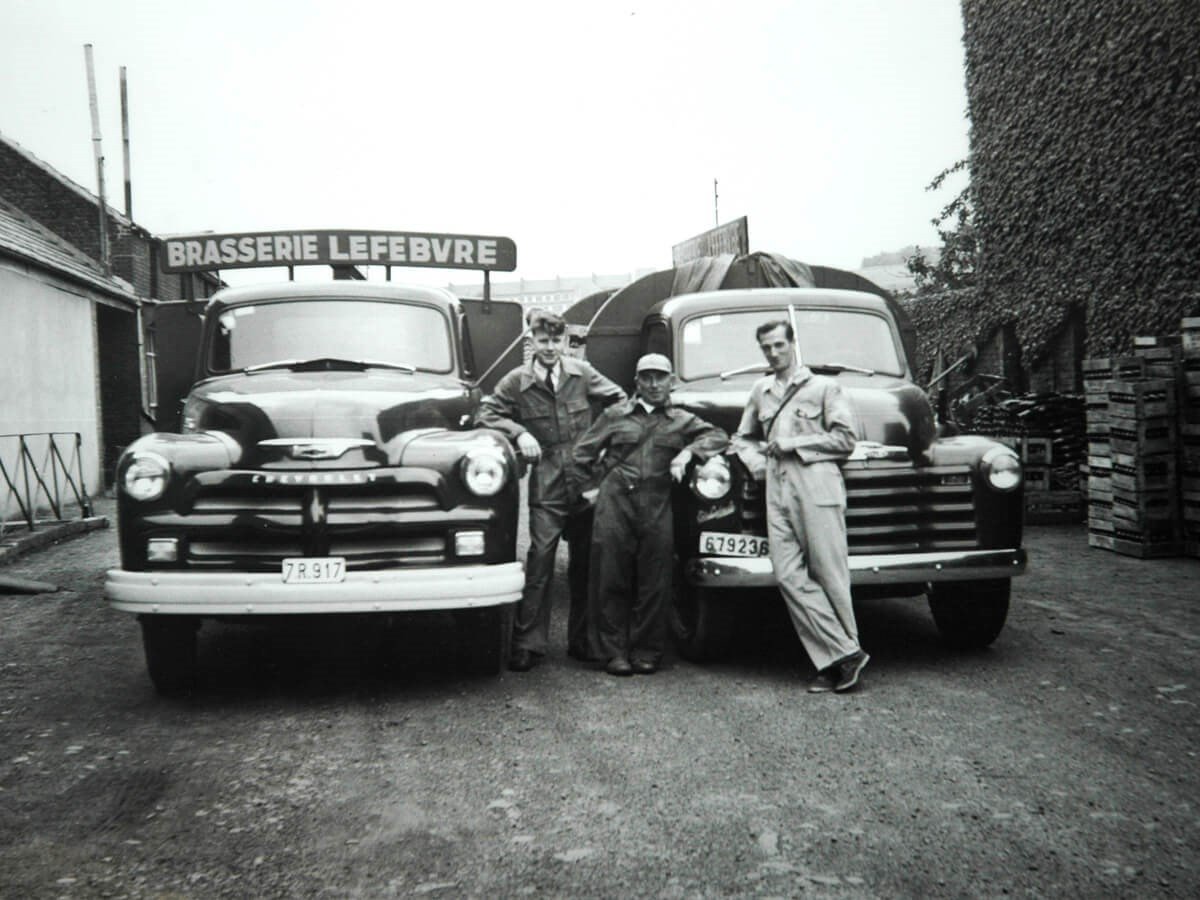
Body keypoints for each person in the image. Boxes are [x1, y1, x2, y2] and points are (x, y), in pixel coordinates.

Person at [475, 310, 626, 671]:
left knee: (587, 564)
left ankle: (585, 641)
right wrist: (520, 432)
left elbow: (619, 402)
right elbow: (486, 415)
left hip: (586, 481)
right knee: (541, 560)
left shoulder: (581, 373)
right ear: (531, 341)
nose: (549, 347)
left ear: (565, 342)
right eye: (542, 340)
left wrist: (600, 441)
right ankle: (528, 643)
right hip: (547, 482)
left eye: (556, 341)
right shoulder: (517, 381)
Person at [733, 320, 869, 693]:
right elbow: (743, 438)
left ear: (793, 344)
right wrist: (760, 465)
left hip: (817, 485)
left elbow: (845, 440)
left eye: (779, 345)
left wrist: (793, 444)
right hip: (776, 488)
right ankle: (845, 653)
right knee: (788, 575)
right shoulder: (761, 391)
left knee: (830, 575)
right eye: (766, 348)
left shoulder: (825, 387)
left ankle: (835, 664)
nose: (773, 353)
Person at [573, 353, 727, 676]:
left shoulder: (682, 420)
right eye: (647, 378)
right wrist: (589, 490)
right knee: (610, 575)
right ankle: (613, 651)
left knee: (655, 579)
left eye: (661, 378)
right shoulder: (615, 414)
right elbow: (581, 454)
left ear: (672, 382)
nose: (654, 384)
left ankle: (647, 649)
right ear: (637, 383)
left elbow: (718, 436)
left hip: (657, 501)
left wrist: (687, 452)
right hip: (616, 501)